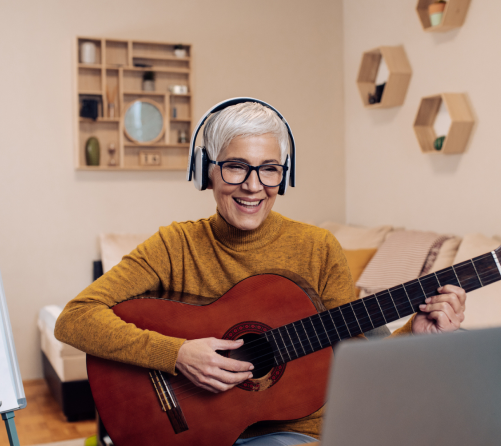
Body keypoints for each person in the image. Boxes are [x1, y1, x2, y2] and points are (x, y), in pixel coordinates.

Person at [55, 99, 467, 446]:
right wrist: (177, 355)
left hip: (296, 432)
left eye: (269, 169)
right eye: (236, 166)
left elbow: (358, 365)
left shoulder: (317, 248)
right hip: (195, 430)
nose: (253, 186)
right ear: (207, 171)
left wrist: (414, 335)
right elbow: (75, 318)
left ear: (283, 177)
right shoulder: (175, 245)